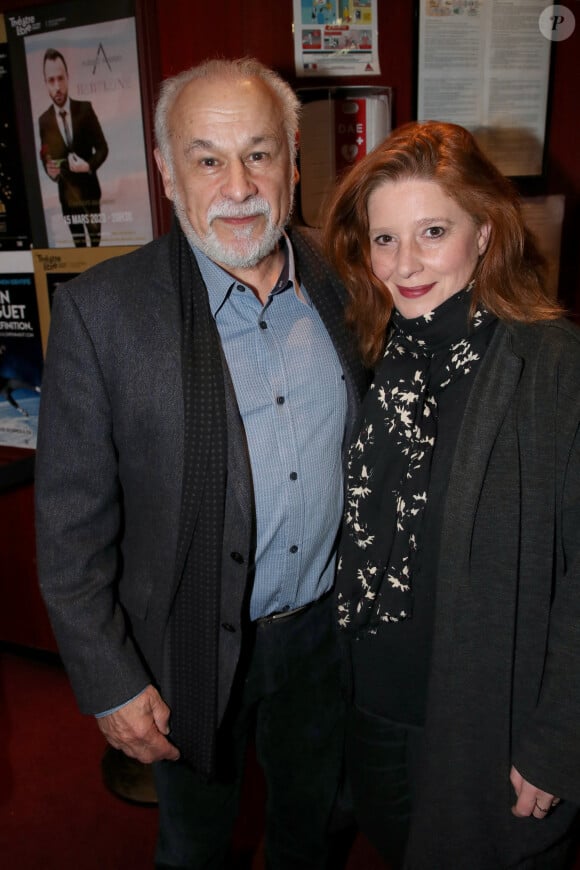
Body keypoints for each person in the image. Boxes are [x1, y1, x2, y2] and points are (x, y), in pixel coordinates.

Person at [34, 57, 367, 869]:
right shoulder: (101, 313)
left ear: (294, 159)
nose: (238, 184)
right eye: (207, 158)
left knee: (315, 826)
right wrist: (111, 679)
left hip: (327, 637)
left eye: (258, 152)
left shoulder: (351, 280)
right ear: (165, 170)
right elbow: (70, 530)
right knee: (194, 847)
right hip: (183, 647)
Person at [323, 120, 580, 869]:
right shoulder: (377, 349)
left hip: (481, 722)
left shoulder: (553, 365)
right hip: (372, 706)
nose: (405, 264)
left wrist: (563, 739)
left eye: (432, 231)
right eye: (384, 239)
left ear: (487, 232)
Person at [38, 48, 108, 247]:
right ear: (45, 83)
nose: (57, 86)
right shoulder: (44, 120)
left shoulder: (85, 109)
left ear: (68, 78)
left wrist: (87, 166)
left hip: (90, 194)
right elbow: (45, 155)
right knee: (78, 252)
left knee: (96, 251)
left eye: (60, 78)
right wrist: (49, 170)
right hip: (66, 198)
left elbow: (103, 148)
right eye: (51, 80)